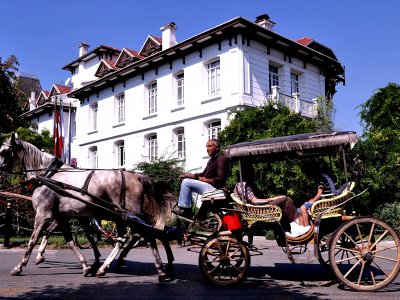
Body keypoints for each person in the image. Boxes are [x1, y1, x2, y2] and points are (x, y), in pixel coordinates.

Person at [234, 165, 310, 238]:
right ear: (246, 172)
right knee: (286, 200)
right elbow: (255, 201)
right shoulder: (243, 185)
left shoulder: (248, 184)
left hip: (258, 208)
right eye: (252, 171)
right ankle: (295, 227)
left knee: (283, 205)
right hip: (257, 210)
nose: (254, 173)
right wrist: (271, 199)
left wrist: (273, 198)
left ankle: (288, 231)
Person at [173, 139, 230, 220]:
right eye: (206, 146)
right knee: (186, 180)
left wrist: (204, 180)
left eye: (210, 146)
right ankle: (189, 212)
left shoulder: (220, 159)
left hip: (215, 189)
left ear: (217, 148)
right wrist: (187, 175)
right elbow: (202, 175)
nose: (207, 149)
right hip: (210, 187)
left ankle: (186, 210)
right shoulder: (211, 160)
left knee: (186, 183)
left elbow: (220, 180)